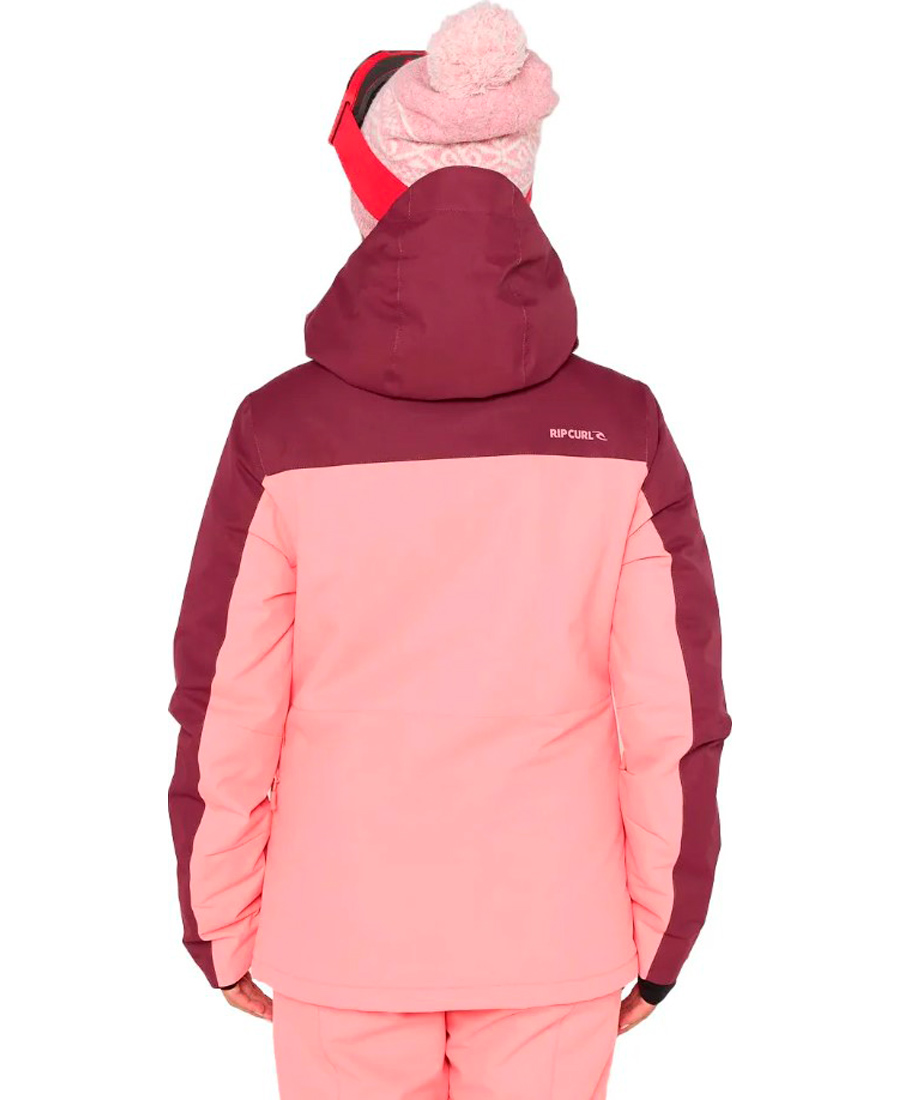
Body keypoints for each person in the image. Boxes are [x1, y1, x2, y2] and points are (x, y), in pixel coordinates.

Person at [166, 3, 733, 1097]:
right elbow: (672, 714)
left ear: (370, 199)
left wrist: (219, 919)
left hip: (341, 931)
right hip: (554, 932)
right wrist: (666, 931)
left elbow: (228, 702)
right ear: (522, 185)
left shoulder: (280, 431)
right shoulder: (621, 427)